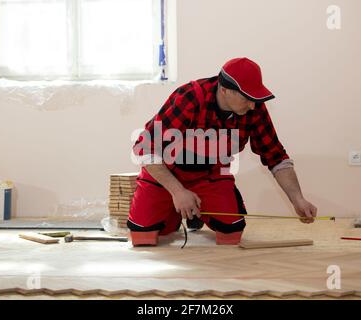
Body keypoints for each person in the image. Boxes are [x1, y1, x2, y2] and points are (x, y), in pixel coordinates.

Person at [128, 57, 317, 246]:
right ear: (224, 90)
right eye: (247, 98)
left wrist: (298, 200)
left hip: (210, 176)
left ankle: (197, 211)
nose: (252, 105)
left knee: (232, 232)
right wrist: (178, 192)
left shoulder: (254, 107)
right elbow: (145, 148)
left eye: (255, 99)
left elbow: (275, 156)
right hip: (167, 175)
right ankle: (176, 215)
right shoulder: (190, 98)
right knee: (143, 237)